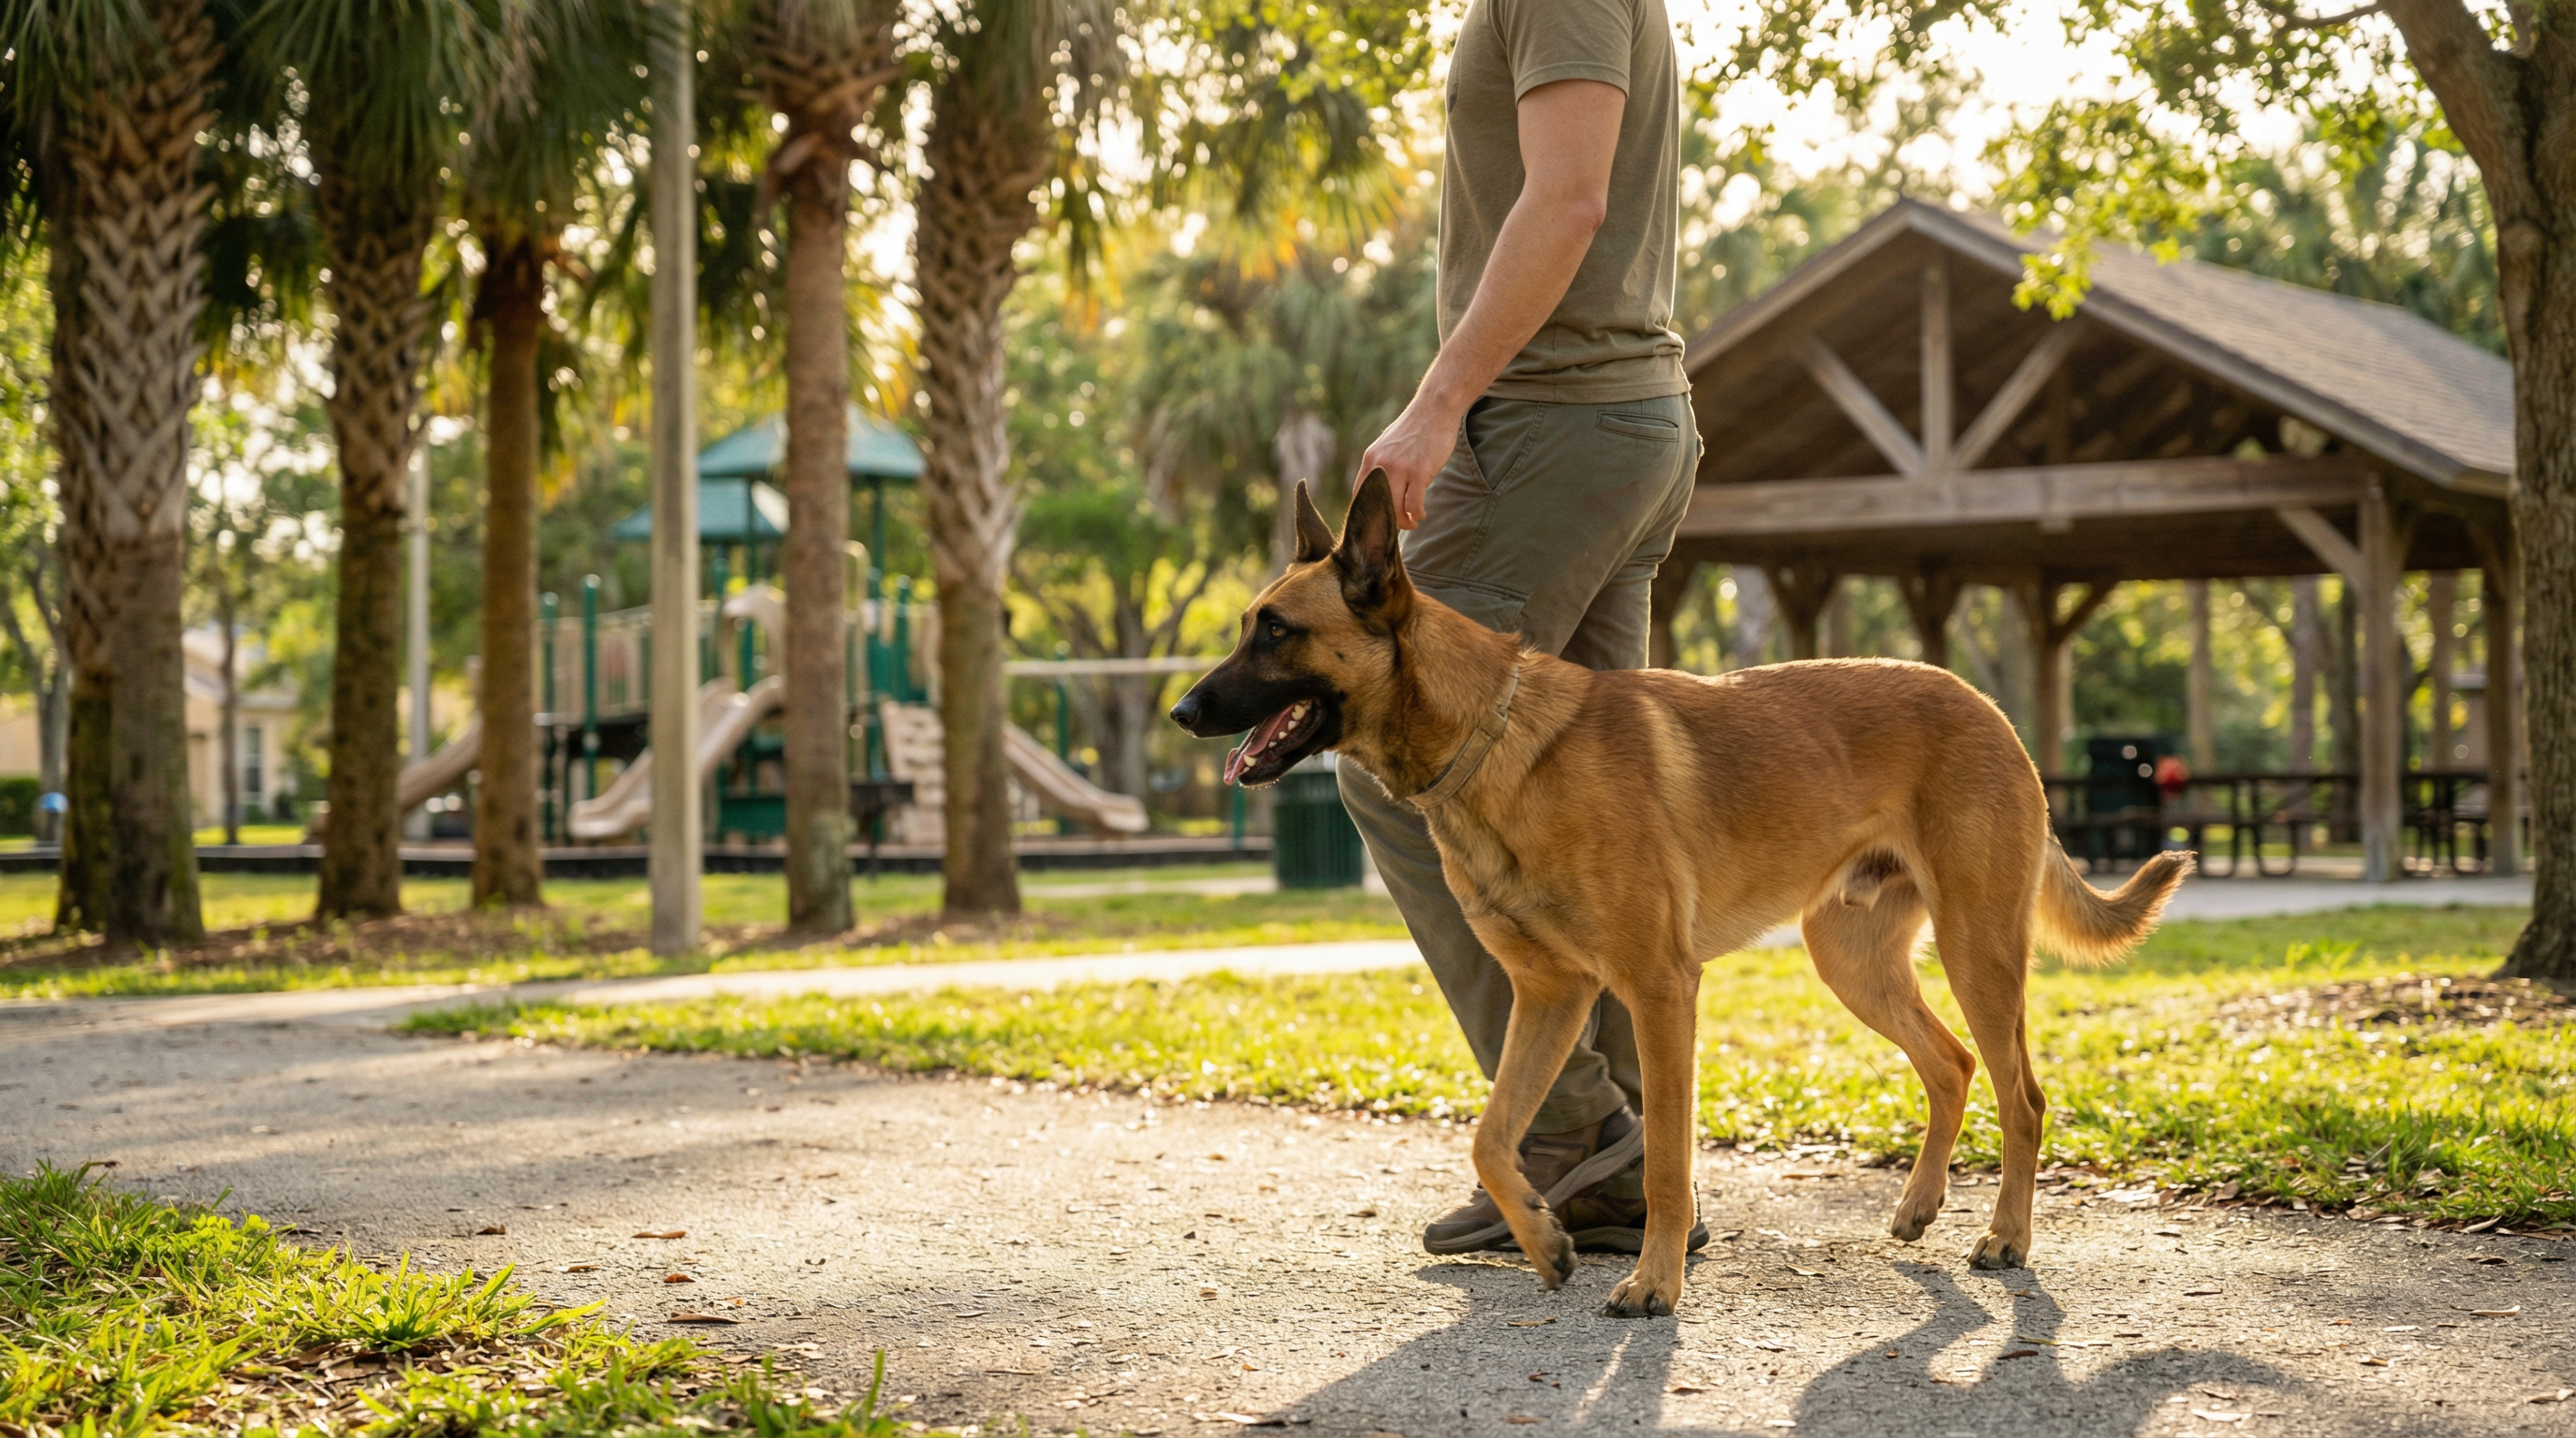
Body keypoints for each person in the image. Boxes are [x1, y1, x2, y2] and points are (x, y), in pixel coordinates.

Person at [1339, 0, 1705, 1254]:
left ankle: (1568, 1132)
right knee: (1593, 806)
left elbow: (1568, 199)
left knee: (1395, 758)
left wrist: (1439, 405)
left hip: (1554, 426)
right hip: (1614, 419)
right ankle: (1618, 1158)